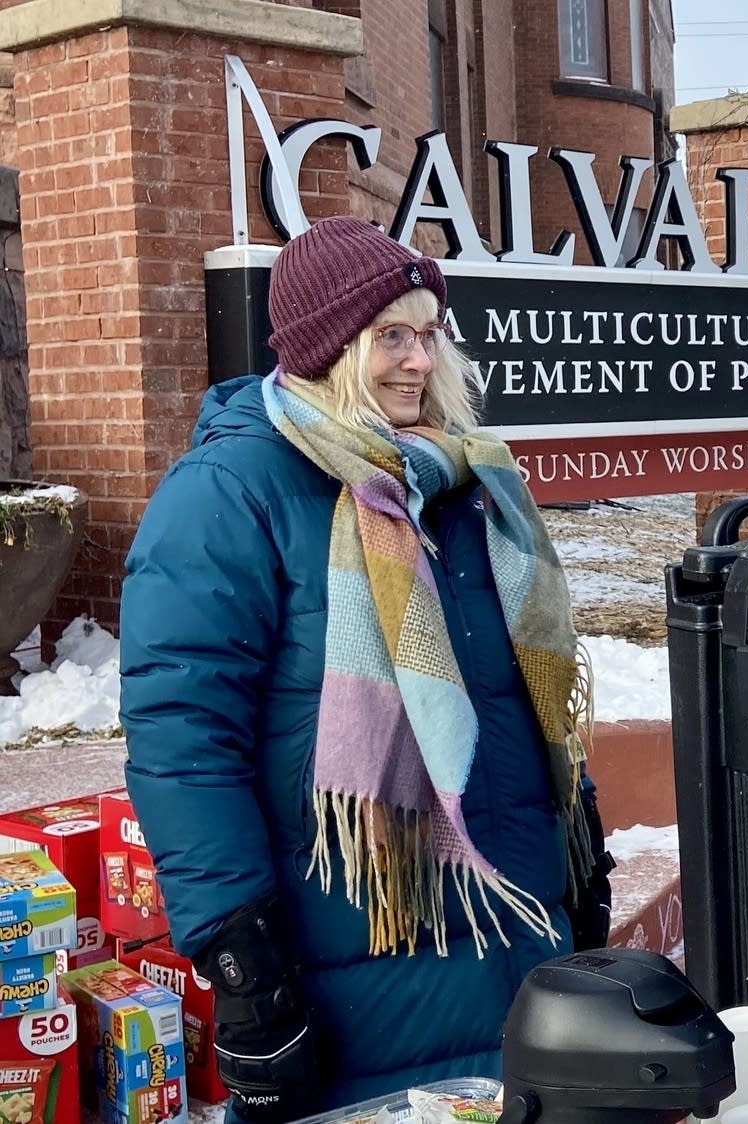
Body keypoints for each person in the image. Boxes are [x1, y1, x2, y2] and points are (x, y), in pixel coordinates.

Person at [120, 217, 617, 1121]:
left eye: (430, 333)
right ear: (326, 349)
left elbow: (519, 699)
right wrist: (244, 961)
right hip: (354, 963)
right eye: (391, 335)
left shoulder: (467, 484)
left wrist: (576, 850)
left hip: (519, 937)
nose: (420, 361)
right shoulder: (229, 494)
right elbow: (183, 742)